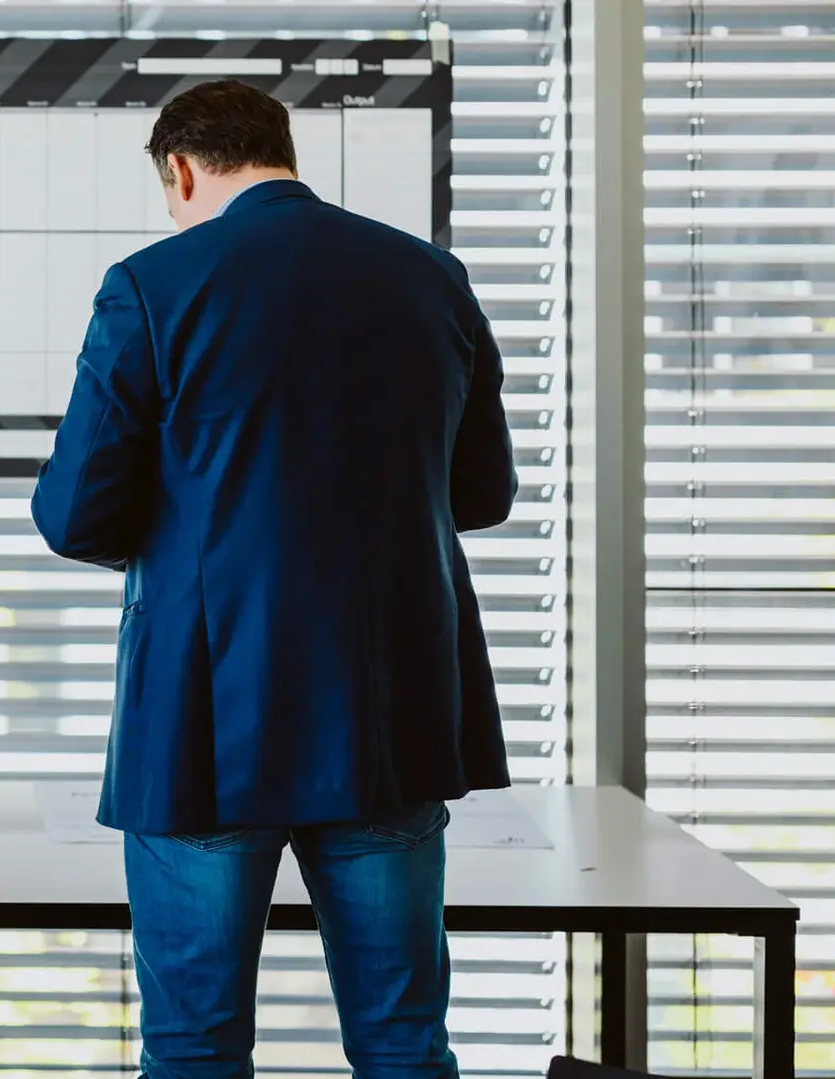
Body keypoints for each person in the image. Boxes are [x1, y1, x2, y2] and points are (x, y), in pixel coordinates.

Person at [30, 81, 518, 1079]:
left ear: (179, 169)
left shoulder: (152, 285)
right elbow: (482, 490)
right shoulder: (430, 278)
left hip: (206, 722)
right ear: (282, 150)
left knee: (196, 1044)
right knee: (402, 1040)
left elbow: (76, 512)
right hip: (385, 711)